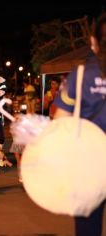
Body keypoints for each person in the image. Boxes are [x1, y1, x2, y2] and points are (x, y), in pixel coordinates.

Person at [53, 13, 106, 236]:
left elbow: (60, 121)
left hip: (89, 166)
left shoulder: (81, 74)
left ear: (93, 41)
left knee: (88, 230)